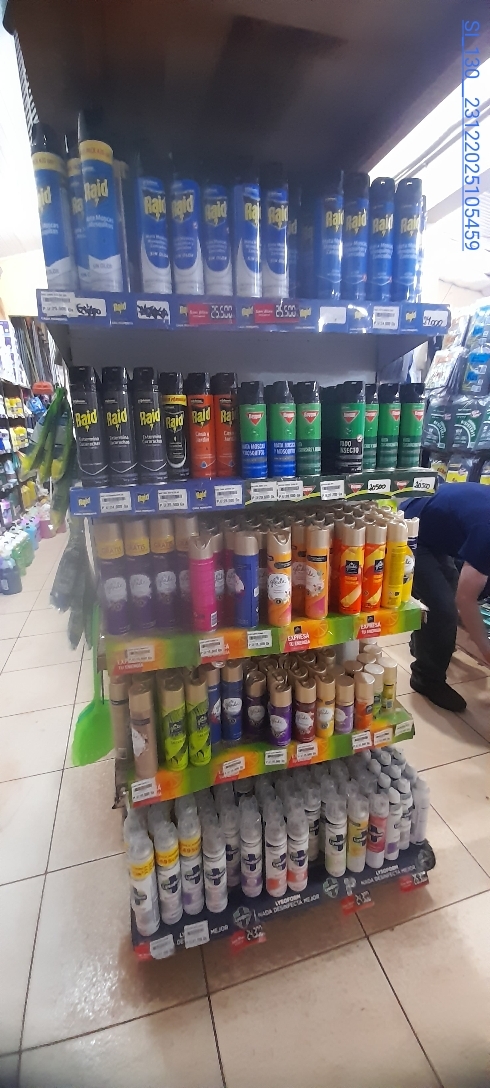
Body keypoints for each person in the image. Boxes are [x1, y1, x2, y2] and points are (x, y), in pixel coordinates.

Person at [400, 482, 490, 712]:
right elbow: (465, 599)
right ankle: (426, 679)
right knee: (443, 610)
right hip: (412, 527)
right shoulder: (487, 533)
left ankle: (424, 646)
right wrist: (486, 649)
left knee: (445, 593)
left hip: (436, 528)